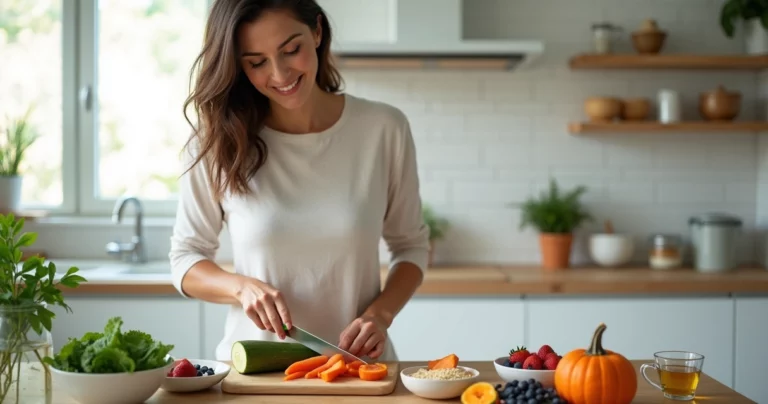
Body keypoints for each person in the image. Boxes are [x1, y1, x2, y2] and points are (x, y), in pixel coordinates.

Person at [168, 0, 430, 363]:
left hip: (358, 371)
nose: (279, 74)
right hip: (255, 376)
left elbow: (412, 247)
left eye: (291, 50)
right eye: (256, 62)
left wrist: (379, 315)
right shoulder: (215, 143)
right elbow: (185, 258)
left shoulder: (383, 129)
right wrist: (240, 287)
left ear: (318, 32)